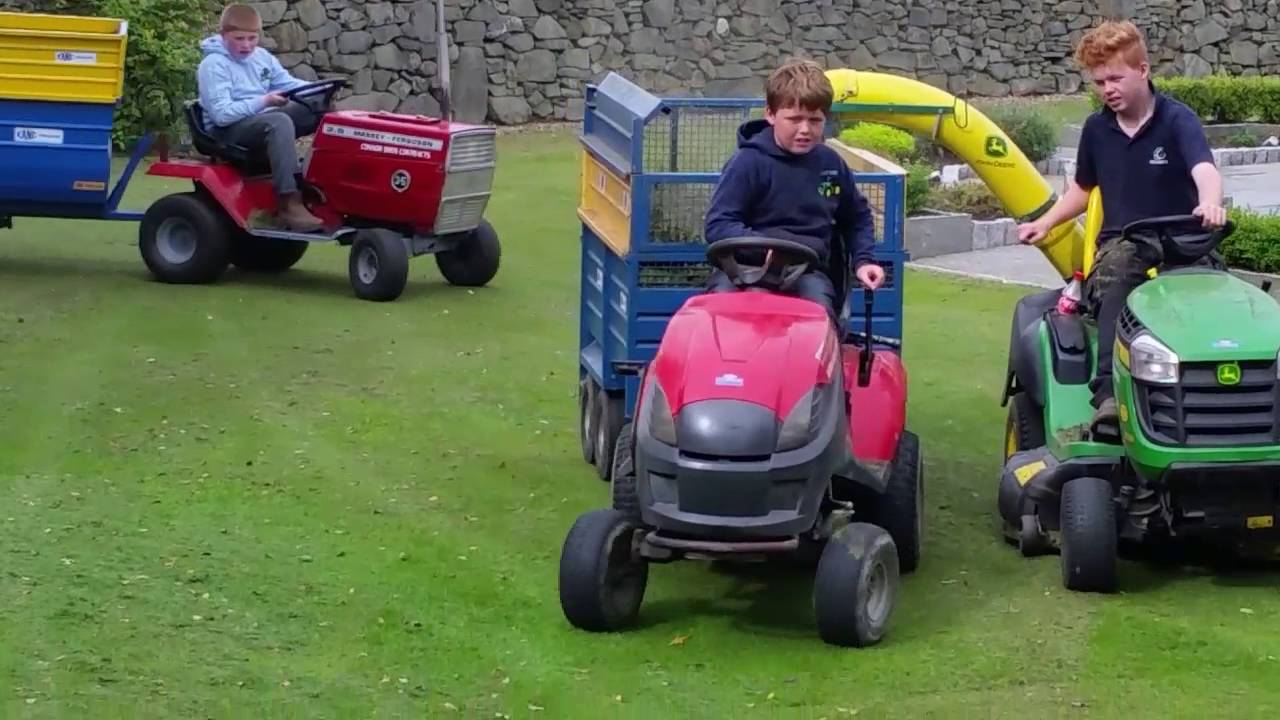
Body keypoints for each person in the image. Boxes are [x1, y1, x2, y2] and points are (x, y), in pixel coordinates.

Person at [1017, 20, 1226, 431]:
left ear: (1143, 70)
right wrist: (1044, 223)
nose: (1107, 88)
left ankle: (1215, 395)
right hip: (1124, 242)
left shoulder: (1177, 119)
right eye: (1099, 82)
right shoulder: (1097, 130)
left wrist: (1210, 203)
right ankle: (1109, 396)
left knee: (1218, 292)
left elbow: (1205, 169)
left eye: (1115, 77)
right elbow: (1081, 189)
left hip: (1184, 238)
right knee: (1116, 280)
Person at [704, 58, 884, 323]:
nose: (805, 130)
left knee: (819, 323)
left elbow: (857, 217)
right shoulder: (747, 163)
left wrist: (864, 261)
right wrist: (765, 251)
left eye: (814, 120)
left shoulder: (831, 165)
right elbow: (719, 224)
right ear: (770, 114)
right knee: (716, 322)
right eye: (795, 119)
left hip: (806, 274)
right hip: (742, 273)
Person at [196, 4, 324, 232]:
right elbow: (222, 115)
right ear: (224, 35)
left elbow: (290, 85)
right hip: (226, 131)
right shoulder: (213, 65)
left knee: (319, 110)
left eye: (252, 38)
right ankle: (288, 202)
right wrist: (263, 101)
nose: (246, 46)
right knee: (278, 122)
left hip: (259, 120)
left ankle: (319, 180)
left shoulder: (262, 58)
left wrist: (321, 89)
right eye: (239, 39)